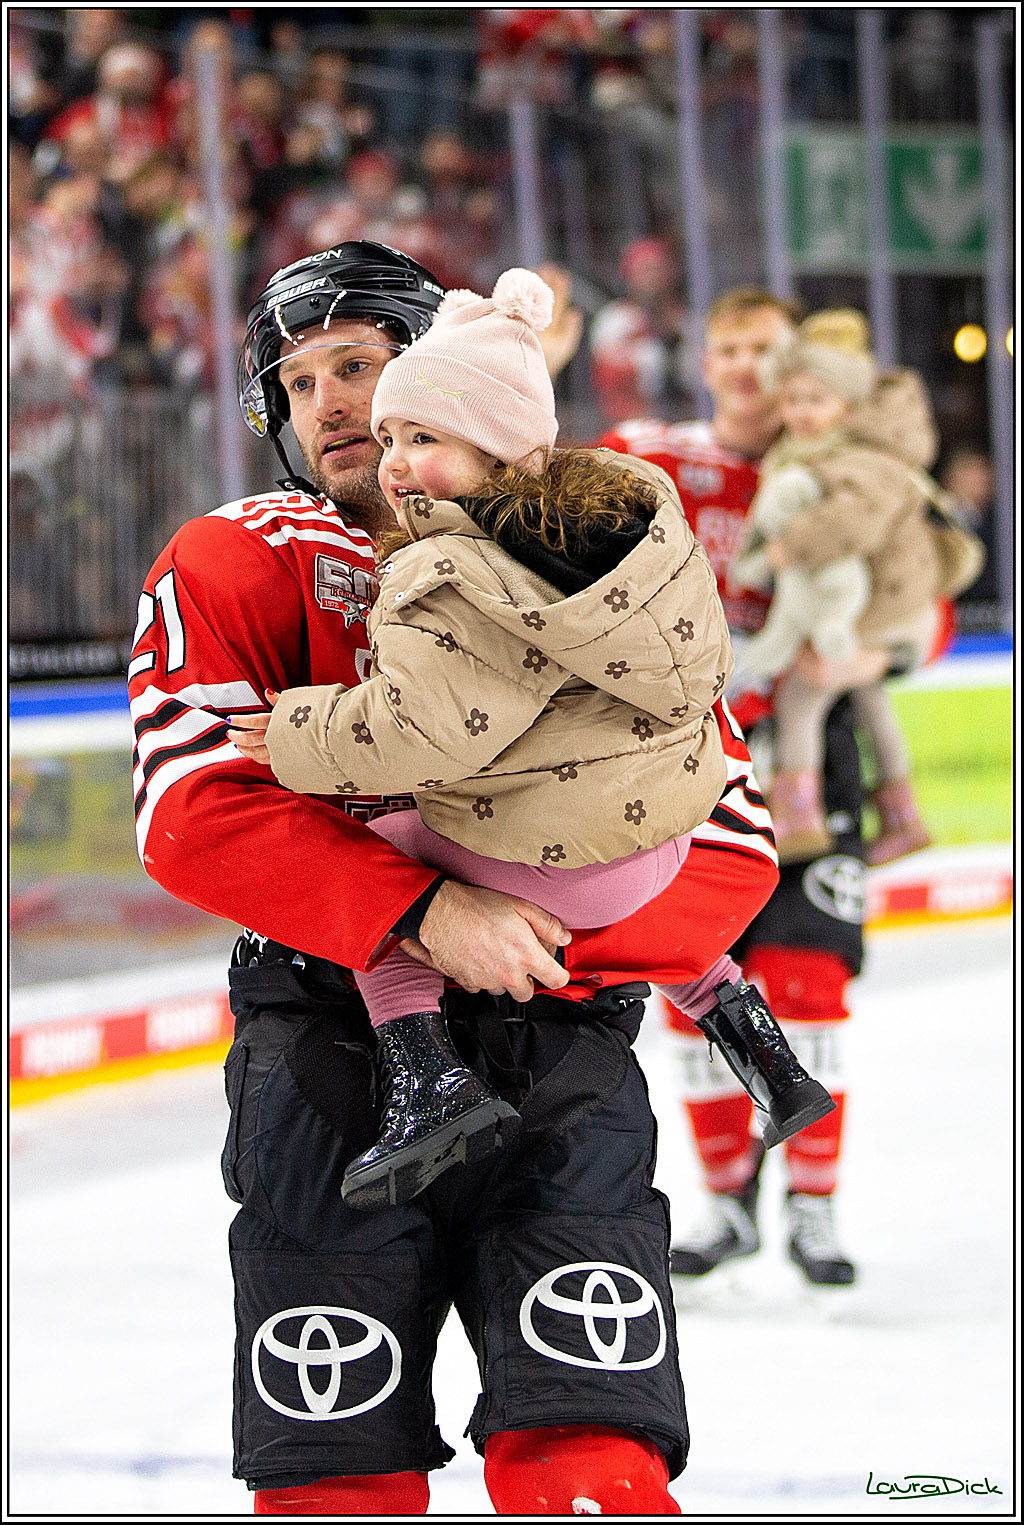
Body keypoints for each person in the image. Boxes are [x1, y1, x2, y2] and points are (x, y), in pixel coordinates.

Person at [128, 243, 782, 1514]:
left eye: (360, 366)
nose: (327, 403)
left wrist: (530, 940)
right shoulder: (232, 556)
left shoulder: (598, 550)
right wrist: (428, 913)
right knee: (338, 1473)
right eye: (299, 376)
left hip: (565, 1050)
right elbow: (190, 805)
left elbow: (732, 827)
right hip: (326, 1051)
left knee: (596, 1456)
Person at [227, 268, 833, 1213]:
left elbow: (420, 731)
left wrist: (298, 731)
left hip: (546, 863)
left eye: (420, 438)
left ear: (498, 448)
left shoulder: (455, 570)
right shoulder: (634, 522)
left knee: (373, 871)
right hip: (661, 847)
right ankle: (749, 1030)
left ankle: (427, 1075)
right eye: (391, 437)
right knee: (598, 828)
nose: (392, 461)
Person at [599, 285, 919, 1287]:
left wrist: (875, 656)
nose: (744, 367)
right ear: (703, 360)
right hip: (669, 763)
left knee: (809, 985)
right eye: (727, 347)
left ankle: (813, 1211)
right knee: (690, 982)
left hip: (803, 761)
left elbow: (927, 593)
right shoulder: (650, 455)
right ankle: (726, 1202)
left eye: (763, 349)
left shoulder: (846, 466)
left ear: (797, 366)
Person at [731, 308, 940, 865]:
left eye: (816, 401)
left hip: (879, 600)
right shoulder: (826, 451)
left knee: (802, 697)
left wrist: (784, 548)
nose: (800, 413)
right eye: (793, 400)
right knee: (871, 702)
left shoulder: (857, 458)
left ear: (847, 406)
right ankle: (903, 813)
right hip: (878, 600)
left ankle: (799, 816)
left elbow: (852, 524)